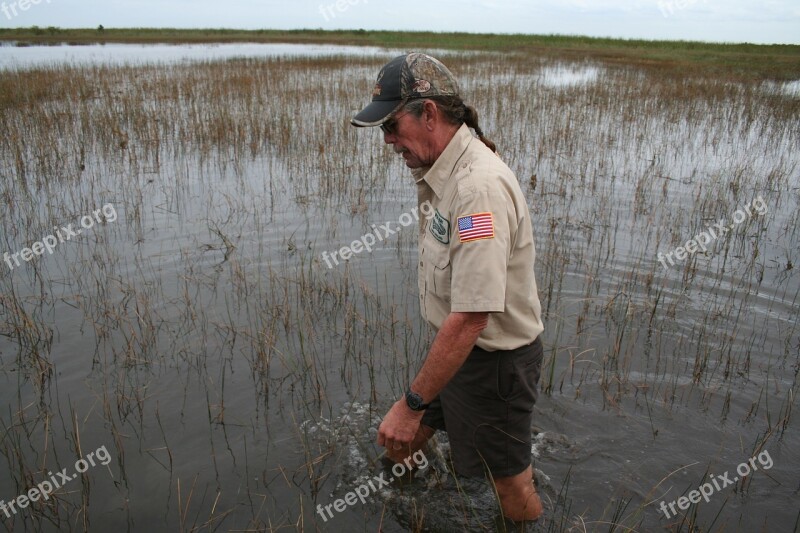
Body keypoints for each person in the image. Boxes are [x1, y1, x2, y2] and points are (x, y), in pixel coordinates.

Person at [351, 52, 545, 523]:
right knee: (402, 442)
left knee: (510, 488)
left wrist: (412, 401)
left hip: (492, 364)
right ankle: (414, 504)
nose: (388, 140)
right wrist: (414, 408)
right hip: (458, 351)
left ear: (430, 114)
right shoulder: (443, 169)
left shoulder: (478, 188)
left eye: (392, 126)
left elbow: (474, 316)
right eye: (383, 131)